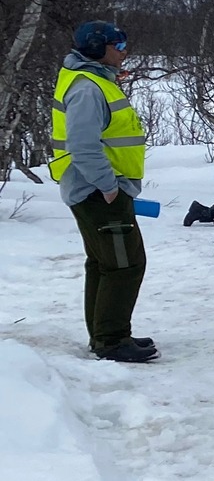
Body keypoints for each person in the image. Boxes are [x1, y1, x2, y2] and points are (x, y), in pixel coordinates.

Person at [50, 20, 154, 362]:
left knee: (105, 263)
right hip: (99, 191)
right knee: (125, 265)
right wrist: (108, 186)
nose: (124, 52)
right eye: (117, 45)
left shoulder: (94, 81)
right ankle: (111, 340)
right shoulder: (88, 88)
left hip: (96, 189)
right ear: (97, 48)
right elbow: (83, 145)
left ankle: (105, 335)